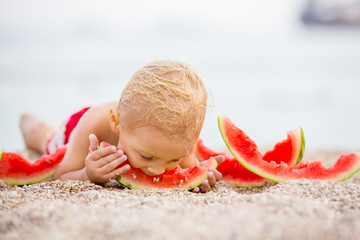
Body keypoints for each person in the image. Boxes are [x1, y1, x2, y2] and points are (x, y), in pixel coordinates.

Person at [20, 60, 224, 192]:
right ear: (116, 123)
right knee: (47, 142)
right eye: (146, 156)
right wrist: (86, 174)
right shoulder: (94, 124)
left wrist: (200, 177)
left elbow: (190, 170)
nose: (156, 170)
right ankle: (32, 126)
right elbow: (61, 175)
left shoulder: (177, 136)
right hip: (75, 130)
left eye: (173, 159)